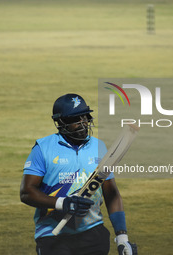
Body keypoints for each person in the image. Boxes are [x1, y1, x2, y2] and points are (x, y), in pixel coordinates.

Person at [20, 93, 137, 255]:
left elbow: (111, 193)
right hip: (53, 235)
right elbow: (26, 193)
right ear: (60, 122)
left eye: (84, 117)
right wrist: (62, 203)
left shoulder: (99, 146)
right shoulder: (43, 148)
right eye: (75, 119)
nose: (82, 123)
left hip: (93, 233)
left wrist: (122, 238)